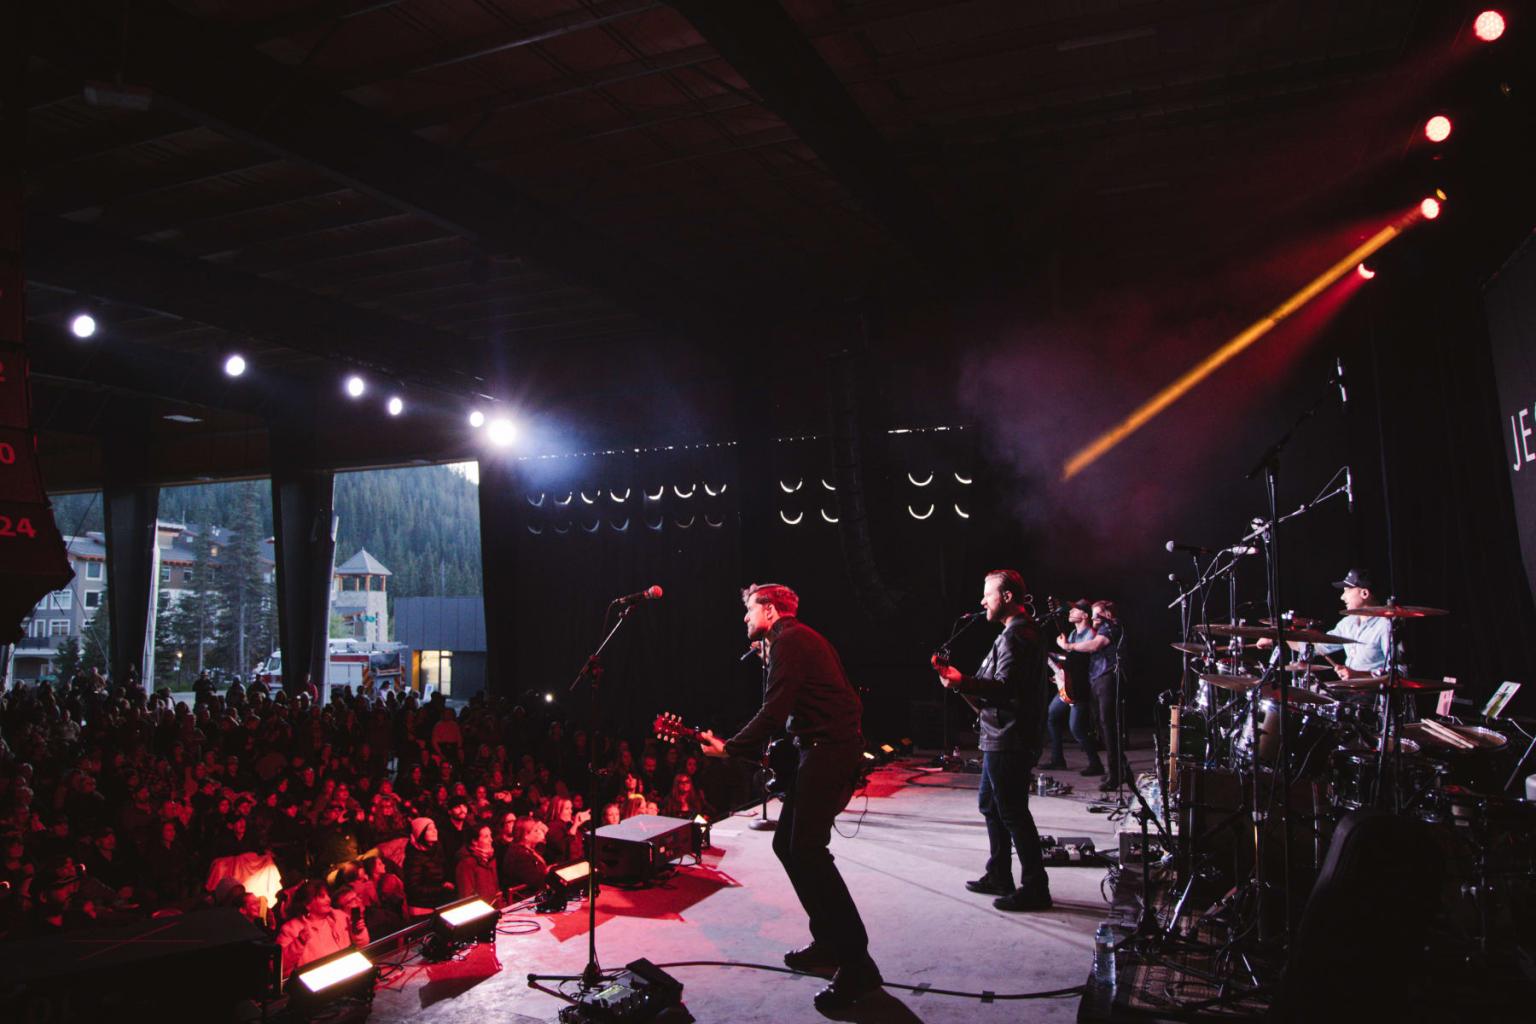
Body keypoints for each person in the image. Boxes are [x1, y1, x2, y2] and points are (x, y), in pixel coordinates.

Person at [699, 583, 881, 1012]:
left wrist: (730, 749)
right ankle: (829, 942)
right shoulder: (793, 640)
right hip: (818, 750)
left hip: (829, 752)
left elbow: (774, 712)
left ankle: (857, 963)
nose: (744, 619)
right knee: (788, 845)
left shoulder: (792, 641)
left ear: (769, 609)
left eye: (749, 610)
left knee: (809, 851)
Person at [936, 569, 1053, 911]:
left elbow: (1004, 689)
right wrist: (959, 683)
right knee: (991, 805)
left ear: (1006, 597)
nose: (982, 600)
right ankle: (1000, 873)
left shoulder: (1017, 636)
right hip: (999, 734)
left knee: (1013, 811)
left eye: (987, 593)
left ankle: (1035, 887)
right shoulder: (1018, 633)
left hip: (1009, 737)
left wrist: (964, 682)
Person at [1059, 599, 1124, 791]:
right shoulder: (1101, 628)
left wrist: (1069, 647)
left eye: (1096, 614)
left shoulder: (1110, 627)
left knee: (1109, 726)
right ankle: (1121, 770)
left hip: (1108, 678)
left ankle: (1116, 774)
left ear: (1107, 615)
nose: (1093, 617)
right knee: (1102, 728)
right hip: (1096, 678)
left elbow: (1095, 645)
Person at [1044, 602, 1103, 775]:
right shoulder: (1072, 633)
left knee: (1077, 728)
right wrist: (1061, 674)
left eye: (1075, 609)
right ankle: (1057, 759)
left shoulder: (1090, 634)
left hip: (1081, 687)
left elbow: (1083, 662)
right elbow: (1070, 661)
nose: (1070, 611)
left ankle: (1096, 763)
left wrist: (1066, 649)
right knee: (1052, 716)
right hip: (1069, 685)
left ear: (1085, 615)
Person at [1313, 569, 1396, 678]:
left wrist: (1358, 675)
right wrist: (1288, 634)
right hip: (1350, 691)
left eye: (1347, 590)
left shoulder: (1386, 625)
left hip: (1374, 692)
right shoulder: (1347, 623)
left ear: (1364, 593)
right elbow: (1318, 646)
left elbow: (1399, 672)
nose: (1342, 597)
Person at [277, 880, 369, 977]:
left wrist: (358, 933)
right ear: (307, 904)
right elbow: (279, 967)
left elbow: (363, 945)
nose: (328, 899)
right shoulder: (291, 929)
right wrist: (299, 943)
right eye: (322, 896)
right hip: (316, 983)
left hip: (345, 975)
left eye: (328, 895)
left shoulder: (339, 917)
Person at [454, 824, 502, 905]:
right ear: (474, 841)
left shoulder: (491, 859)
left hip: (495, 908)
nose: (491, 840)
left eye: (490, 835)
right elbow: (466, 897)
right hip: (480, 912)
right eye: (486, 837)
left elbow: (496, 890)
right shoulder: (466, 864)